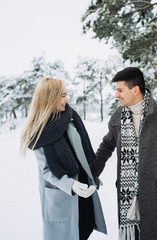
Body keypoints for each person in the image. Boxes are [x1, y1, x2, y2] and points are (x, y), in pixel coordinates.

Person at [90, 67, 157, 240]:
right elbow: (106, 146)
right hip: (128, 207)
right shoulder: (117, 117)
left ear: (135, 90)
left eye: (120, 90)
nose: (116, 95)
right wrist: (91, 174)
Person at [20, 77, 106, 240]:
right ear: (49, 98)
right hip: (64, 194)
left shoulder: (70, 118)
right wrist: (71, 185)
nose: (67, 99)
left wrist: (91, 174)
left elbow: (81, 155)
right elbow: (46, 170)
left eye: (66, 95)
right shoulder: (38, 132)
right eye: (62, 95)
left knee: (86, 228)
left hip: (84, 190)